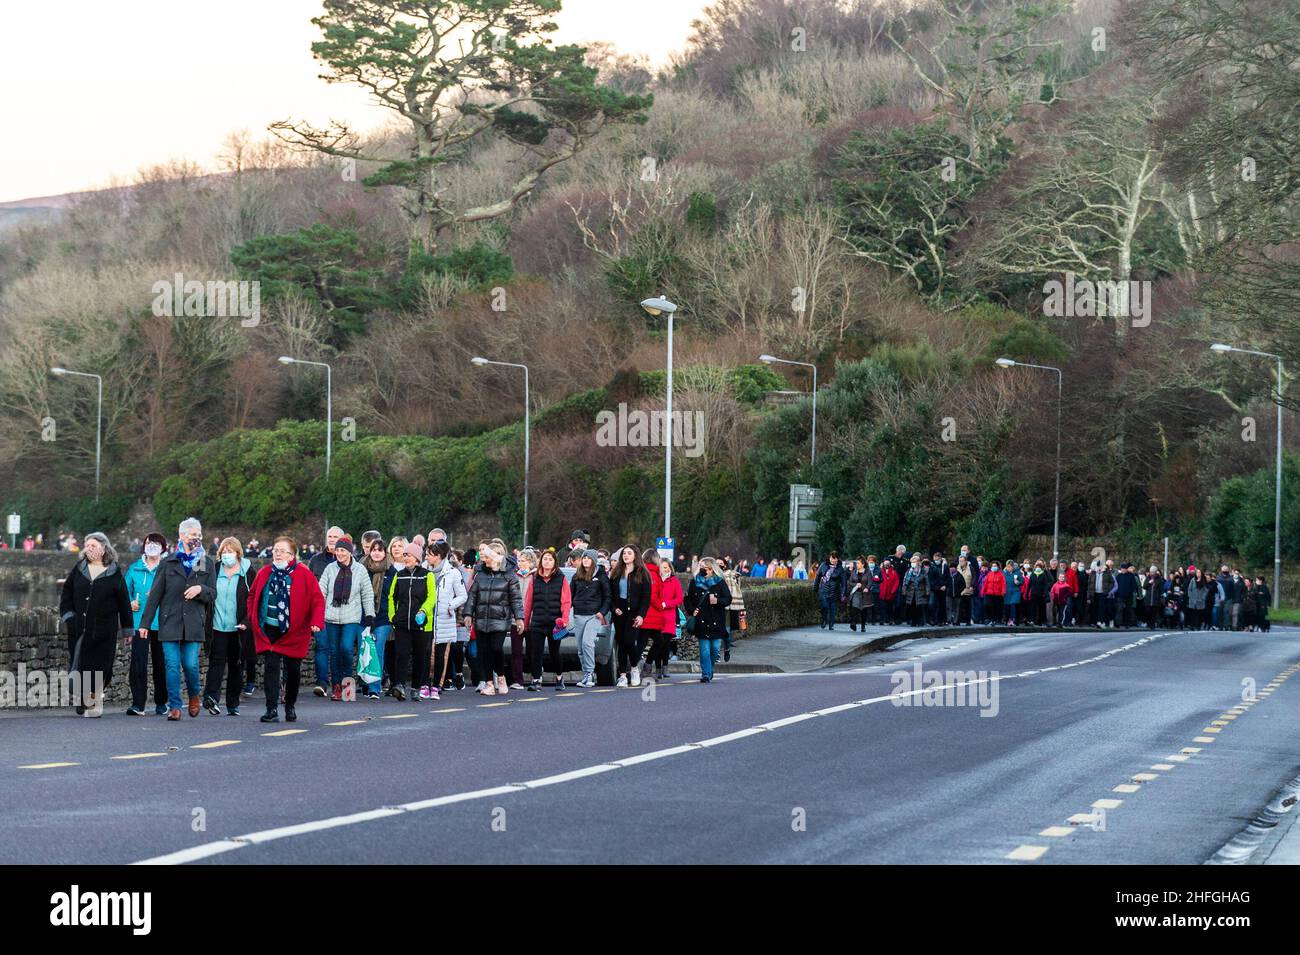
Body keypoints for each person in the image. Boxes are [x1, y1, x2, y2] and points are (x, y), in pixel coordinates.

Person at [139, 518, 215, 721]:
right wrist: (145, 623)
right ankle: (174, 706)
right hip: (170, 620)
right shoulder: (168, 562)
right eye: (192, 534)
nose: (196, 537)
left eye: (199, 534)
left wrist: (201, 589)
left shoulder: (205, 563)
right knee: (171, 665)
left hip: (193, 623)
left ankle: (193, 695)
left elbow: (213, 593)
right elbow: (155, 595)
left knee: (190, 664)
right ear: (181, 536)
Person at [247, 536, 324, 723]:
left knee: (293, 671)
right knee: (271, 668)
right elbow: (252, 596)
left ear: (292, 555)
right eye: (275, 550)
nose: (277, 554)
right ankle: (271, 709)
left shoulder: (304, 574)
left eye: (282, 551)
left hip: (295, 632)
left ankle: (290, 705)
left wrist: (316, 622)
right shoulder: (265, 573)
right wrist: (252, 617)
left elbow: (317, 600)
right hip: (270, 630)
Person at [59, 532, 133, 717]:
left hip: (105, 629)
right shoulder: (79, 568)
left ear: (103, 548)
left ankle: (94, 696)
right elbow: (66, 594)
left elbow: (124, 602)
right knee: (80, 663)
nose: (88, 548)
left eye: (93, 545)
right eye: (87, 545)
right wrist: (69, 616)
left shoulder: (114, 572)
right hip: (79, 627)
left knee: (102, 665)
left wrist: (127, 629)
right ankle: (84, 697)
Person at [316, 537, 376, 701]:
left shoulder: (360, 570)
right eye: (337, 550)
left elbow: (367, 594)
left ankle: (347, 685)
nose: (339, 553)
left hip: (351, 616)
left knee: (346, 649)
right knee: (334, 652)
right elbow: (320, 591)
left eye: (343, 550)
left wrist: (370, 614)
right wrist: (317, 612)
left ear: (350, 552)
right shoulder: (329, 569)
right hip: (331, 616)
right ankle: (337, 687)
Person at [464, 541, 524, 696]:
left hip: (500, 619)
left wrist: (519, 618)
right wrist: (468, 614)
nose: (486, 558)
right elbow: (472, 596)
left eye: (490, 555)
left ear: (498, 557)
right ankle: (489, 683)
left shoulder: (510, 576)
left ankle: (502, 677)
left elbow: (516, 599)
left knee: (496, 648)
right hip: (482, 619)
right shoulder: (480, 574)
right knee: (484, 651)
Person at [203, 537, 254, 716]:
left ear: (238, 553)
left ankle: (233, 703)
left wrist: (246, 622)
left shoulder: (248, 573)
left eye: (230, 551)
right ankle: (211, 698)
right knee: (215, 663)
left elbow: (254, 600)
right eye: (224, 552)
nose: (227, 555)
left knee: (236, 665)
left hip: (238, 628)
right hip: (217, 626)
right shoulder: (214, 570)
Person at [124, 532, 168, 715]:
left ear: (163, 547)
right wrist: (129, 603)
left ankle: (161, 703)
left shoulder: (167, 568)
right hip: (139, 623)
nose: (152, 546)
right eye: (149, 543)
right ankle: (138, 704)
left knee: (161, 664)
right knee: (138, 664)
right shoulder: (134, 569)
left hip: (162, 623)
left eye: (156, 543)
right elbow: (123, 593)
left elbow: (175, 593)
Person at [385, 541, 435, 701]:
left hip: (421, 624)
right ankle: (399, 686)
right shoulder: (399, 575)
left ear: (417, 558)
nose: (406, 558)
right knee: (401, 654)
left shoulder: (427, 575)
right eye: (405, 555)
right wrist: (393, 616)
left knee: (420, 656)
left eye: (409, 555)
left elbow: (432, 597)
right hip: (402, 623)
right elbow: (392, 597)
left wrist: (423, 611)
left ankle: (416, 687)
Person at [523, 549, 571, 691]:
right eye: (545, 559)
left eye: (550, 559)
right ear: (540, 562)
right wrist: (525, 623)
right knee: (536, 652)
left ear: (555, 562)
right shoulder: (534, 578)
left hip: (555, 623)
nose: (547, 561)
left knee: (554, 652)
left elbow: (566, 602)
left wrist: (564, 619)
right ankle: (536, 680)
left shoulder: (561, 579)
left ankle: (559, 677)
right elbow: (528, 602)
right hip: (537, 622)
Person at [428, 540, 468, 698]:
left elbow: (462, 595)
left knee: (439, 654)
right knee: (426, 653)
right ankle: (426, 683)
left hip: (444, 619)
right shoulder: (425, 571)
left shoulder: (453, 572)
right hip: (426, 618)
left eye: (429, 554)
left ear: (438, 556)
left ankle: (437, 685)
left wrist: (450, 606)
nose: (427, 557)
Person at [609, 544, 653, 687]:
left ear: (635, 555)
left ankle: (634, 667)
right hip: (619, 611)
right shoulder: (616, 572)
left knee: (629, 641)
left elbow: (646, 598)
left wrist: (641, 615)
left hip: (634, 612)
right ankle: (622, 675)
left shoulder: (643, 573)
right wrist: (614, 608)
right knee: (621, 643)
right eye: (624, 553)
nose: (626, 555)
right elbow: (610, 595)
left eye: (629, 553)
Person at [361, 537, 396, 699]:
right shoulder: (361, 569)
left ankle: (375, 687)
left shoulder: (392, 571)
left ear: (384, 552)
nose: (376, 553)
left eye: (379, 550)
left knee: (377, 650)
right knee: (365, 651)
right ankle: (365, 684)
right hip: (364, 616)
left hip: (383, 618)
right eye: (374, 549)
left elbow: (396, 596)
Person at [687, 557, 732, 683]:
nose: (702, 570)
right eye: (700, 567)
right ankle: (706, 673)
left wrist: (717, 601)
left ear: (712, 570)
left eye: (705, 568)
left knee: (715, 649)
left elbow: (728, 599)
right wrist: (692, 610)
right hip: (702, 620)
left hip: (716, 621)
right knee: (705, 650)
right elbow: (688, 599)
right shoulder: (694, 582)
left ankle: (710, 669)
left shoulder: (720, 582)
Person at [569, 549, 610, 687]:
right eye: (584, 558)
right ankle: (586, 673)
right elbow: (569, 596)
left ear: (593, 560)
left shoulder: (601, 576)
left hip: (594, 615)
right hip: (579, 614)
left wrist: (602, 612)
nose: (585, 560)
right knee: (580, 648)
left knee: (588, 643)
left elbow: (608, 596)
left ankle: (590, 673)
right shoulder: (576, 576)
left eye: (588, 558)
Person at [649, 557, 683, 680]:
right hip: (657, 616)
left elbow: (679, 598)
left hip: (669, 617)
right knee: (658, 643)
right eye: (661, 567)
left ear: (669, 568)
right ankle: (658, 668)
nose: (664, 569)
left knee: (666, 642)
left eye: (665, 567)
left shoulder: (674, 580)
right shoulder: (655, 579)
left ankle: (665, 666)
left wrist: (666, 604)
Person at [812, 551, 846, 630]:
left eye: (835, 559)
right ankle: (824, 620)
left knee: (833, 609)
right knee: (824, 606)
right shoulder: (823, 565)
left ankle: (831, 624)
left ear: (837, 559)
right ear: (829, 558)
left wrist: (843, 593)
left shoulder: (840, 568)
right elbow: (817, 576)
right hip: (824, 589)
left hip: (834, 591)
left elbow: (844, 582)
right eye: (832, 558)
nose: (833, 560)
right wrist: (815, 588)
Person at [901, 554, 930, 627]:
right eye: (912, 562)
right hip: (911, 592)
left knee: (919, 607)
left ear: (918, 562)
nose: (913, 563)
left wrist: (927, 591)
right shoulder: (909, 572)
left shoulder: (923, 571)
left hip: (920, 592)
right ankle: (913, 621)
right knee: (912, 607)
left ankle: (920, 621)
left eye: (914, 562)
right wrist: (904, 590)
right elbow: (905, 582)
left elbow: (926, 582)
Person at [981, 560, 1007, 625]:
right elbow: (986, 583)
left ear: (998, 567)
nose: (993, 567)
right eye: (992, 566)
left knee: (996, 608)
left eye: (995, 566)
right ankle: (989, 618)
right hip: (989, 593)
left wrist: (1003, 592)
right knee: (987, 605)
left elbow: (1003, 584)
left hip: (997, 594)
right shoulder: (989, 574)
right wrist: (983, 591)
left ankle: (995, 620)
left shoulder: (1001, 575)